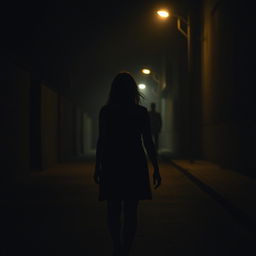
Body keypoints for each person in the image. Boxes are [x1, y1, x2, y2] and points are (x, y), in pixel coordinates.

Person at [94, 72, 161, 256]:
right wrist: (155, 167)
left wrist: (97, 166)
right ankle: (125, 250)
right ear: (133, 91)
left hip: (112, 162)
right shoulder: (140, 112)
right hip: (134, 162)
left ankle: (117, 247)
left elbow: (102, 140)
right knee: (131, 210)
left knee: (113, 208)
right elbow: (148, 141)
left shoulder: (106, 112)